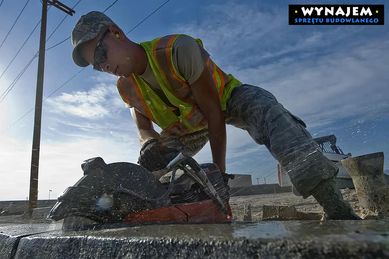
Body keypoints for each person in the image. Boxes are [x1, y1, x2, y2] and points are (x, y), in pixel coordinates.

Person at [71, 11, 360, 220]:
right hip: (184, 128)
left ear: (116, 33)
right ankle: (154, 216)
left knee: (265, 108)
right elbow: (143, 127)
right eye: (95, 66)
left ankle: (336, 207)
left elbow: (214, 113)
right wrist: (149, 144)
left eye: (100, 55)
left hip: (224, 101)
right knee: (149, 173)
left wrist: (219, 176)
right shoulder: (125, 86)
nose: (103, 67)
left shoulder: (176, 50)